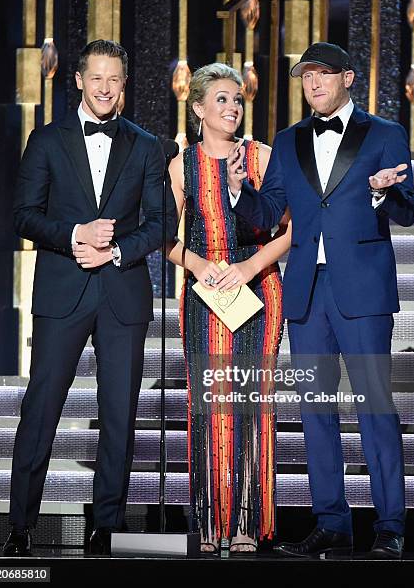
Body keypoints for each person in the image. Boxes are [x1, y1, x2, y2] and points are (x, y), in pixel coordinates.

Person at [228, 42, 414, 559]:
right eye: (305, 77)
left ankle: (390, 526)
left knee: (375, 407)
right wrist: (239, 190)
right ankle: (331, 521)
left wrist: (383, 191)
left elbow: (409, 212)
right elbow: (269, 210)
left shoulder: (385, 134)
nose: (313, 84)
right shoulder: (288, 141)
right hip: (307, 292)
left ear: (348, 78)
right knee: (316, 409)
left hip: (362, 289)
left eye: (323, 75)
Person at [3, 39, 177, 556]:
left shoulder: (147, 145)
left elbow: (162, 221)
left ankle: (107, 524)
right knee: (42, 409)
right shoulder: (47, 139)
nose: (105, 88)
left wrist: (117, 251)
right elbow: (23, 214)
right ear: (78, 80)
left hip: (122, 293)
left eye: (115, 79)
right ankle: (19, 526)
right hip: (62, 289)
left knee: (120, 414)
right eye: (96, 78)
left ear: (125, 84)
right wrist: (75, 234)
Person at [167, 63, 292, 554]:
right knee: (213, 406)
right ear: (198, 107)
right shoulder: (183, 165)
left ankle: (246, 521)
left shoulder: (262, 157)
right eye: (221, 99)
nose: (233, 107)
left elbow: (289, 229)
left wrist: (249, 267)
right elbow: (163, 236)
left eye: (237, 99)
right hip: (205, 295)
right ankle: (211, 519)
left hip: (259, 290)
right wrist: (198, 264)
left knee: (251, 405)